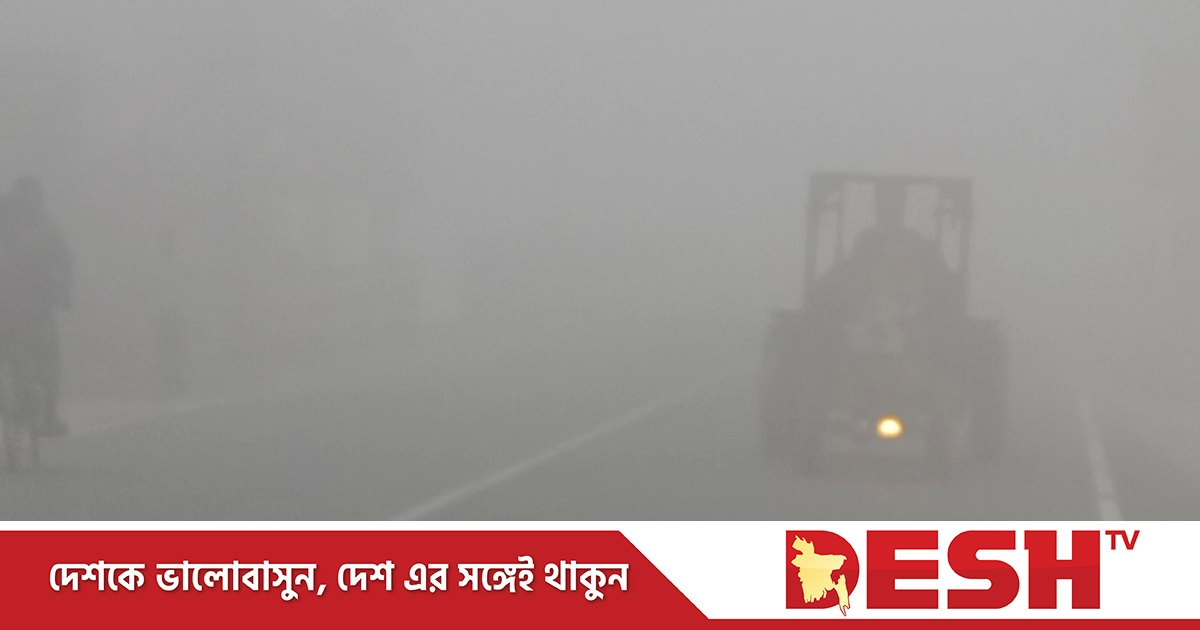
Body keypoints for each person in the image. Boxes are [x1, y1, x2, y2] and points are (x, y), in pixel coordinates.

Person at [0, 177, 72, 437]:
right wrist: (63, 294)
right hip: (33, 308)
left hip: (14, 307)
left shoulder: (13, 222)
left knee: (22, 355)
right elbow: (63, 263)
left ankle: (33, 406)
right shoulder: (44, 229)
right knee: (47, 357)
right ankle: (49, 416)